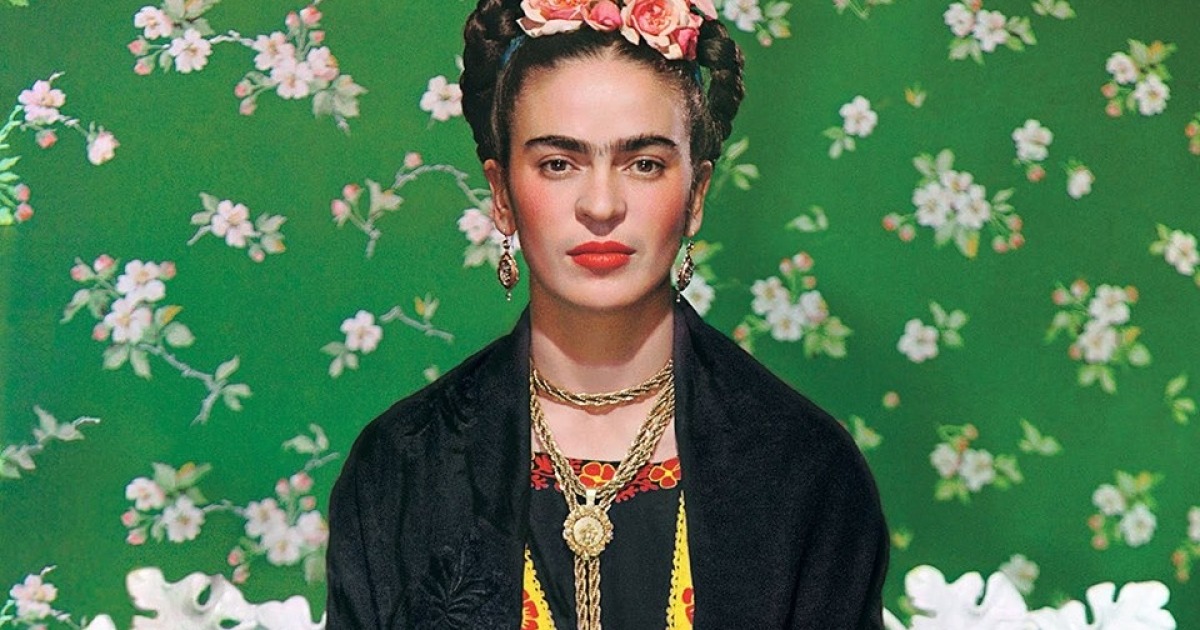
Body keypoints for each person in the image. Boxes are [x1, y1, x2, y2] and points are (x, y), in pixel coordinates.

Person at [325, 1, 889, 627]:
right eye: (558, 164)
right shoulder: (400, 468)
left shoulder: (806, 469)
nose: (600, 205)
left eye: (643, 164)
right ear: (502, 194)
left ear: (696, 195)